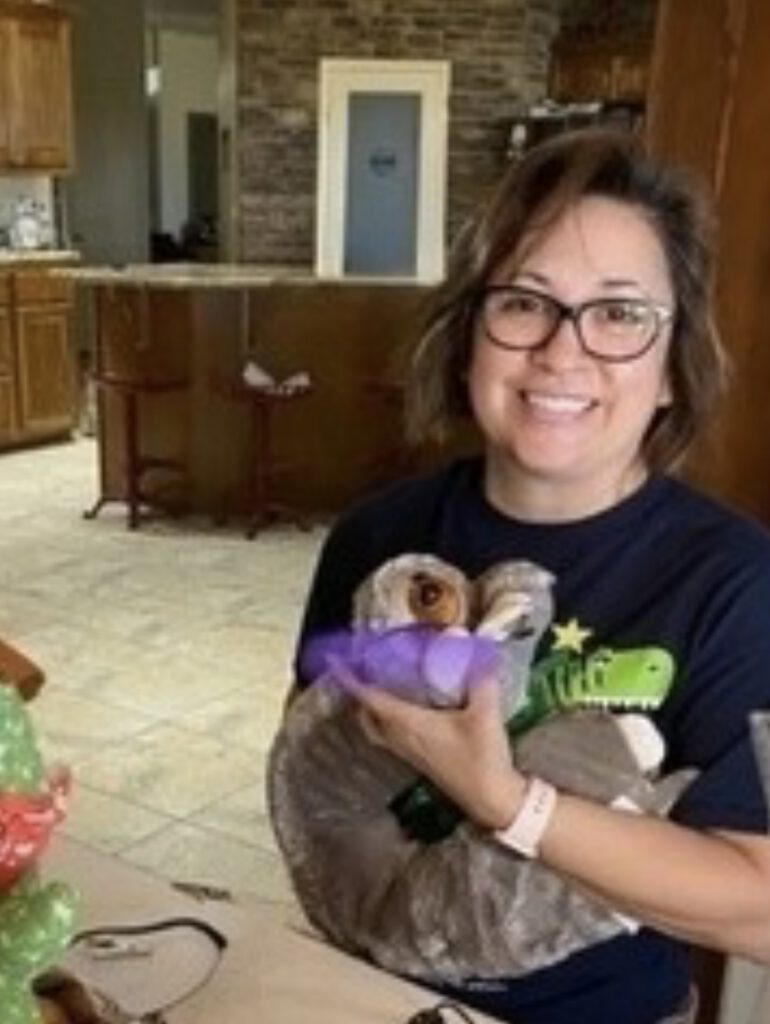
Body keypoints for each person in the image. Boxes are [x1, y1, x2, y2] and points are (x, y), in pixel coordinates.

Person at [290, 129, 770, 1024]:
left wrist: (506, 800)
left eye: (619, 313)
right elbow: (319, 782)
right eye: (524, 302)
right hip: (371, 996)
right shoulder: (375, 538)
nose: (561, 351)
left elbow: (760, 908)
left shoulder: (740, 584)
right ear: (469, 336)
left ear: (673, 368)